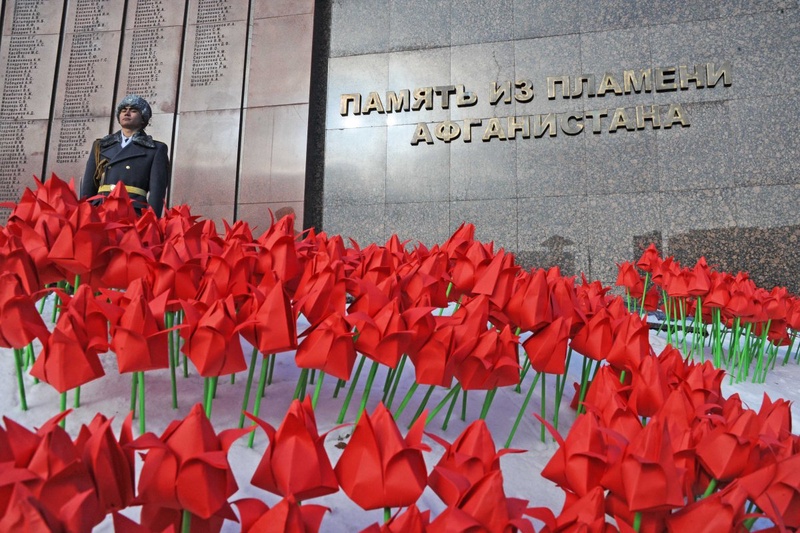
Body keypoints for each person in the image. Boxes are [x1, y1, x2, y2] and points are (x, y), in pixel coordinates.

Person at [81, 95, 170, 217]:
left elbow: (157, 192)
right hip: (101, 209)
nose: (127, 113)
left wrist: (151, 220)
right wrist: (84, 214)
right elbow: (88, 186)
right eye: (123, 110)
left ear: (143, 118)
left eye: (133, 110)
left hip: (132, 211)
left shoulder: (155, 149)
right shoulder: (101, 146)